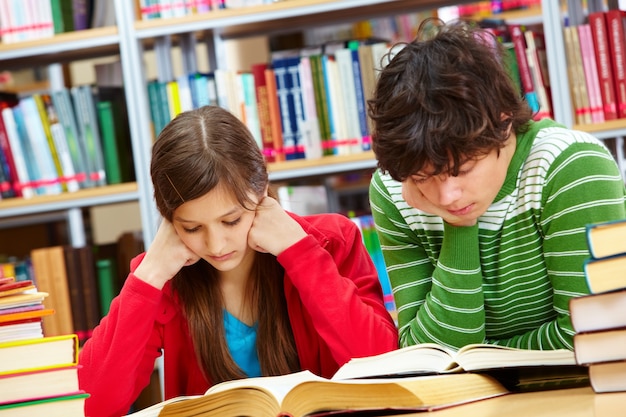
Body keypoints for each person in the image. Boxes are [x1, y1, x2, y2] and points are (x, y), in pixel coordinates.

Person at [78, 105, 398, 417]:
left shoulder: (331, 241)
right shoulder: (164, 277)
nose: (216, 245)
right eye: (192, 228)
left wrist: (300, 252)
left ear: (261, 190)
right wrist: (147, 276)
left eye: (231, 220)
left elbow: (383, 369)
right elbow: (92, 405)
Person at [368, 18, 626, 352]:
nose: (446, 196)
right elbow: (424, 355)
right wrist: (459, 225)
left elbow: (594, 337)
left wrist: (481, 354)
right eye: (422, 177)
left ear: (503, 126)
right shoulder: (393, 190)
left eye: (462, 169)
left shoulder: (570, 166)